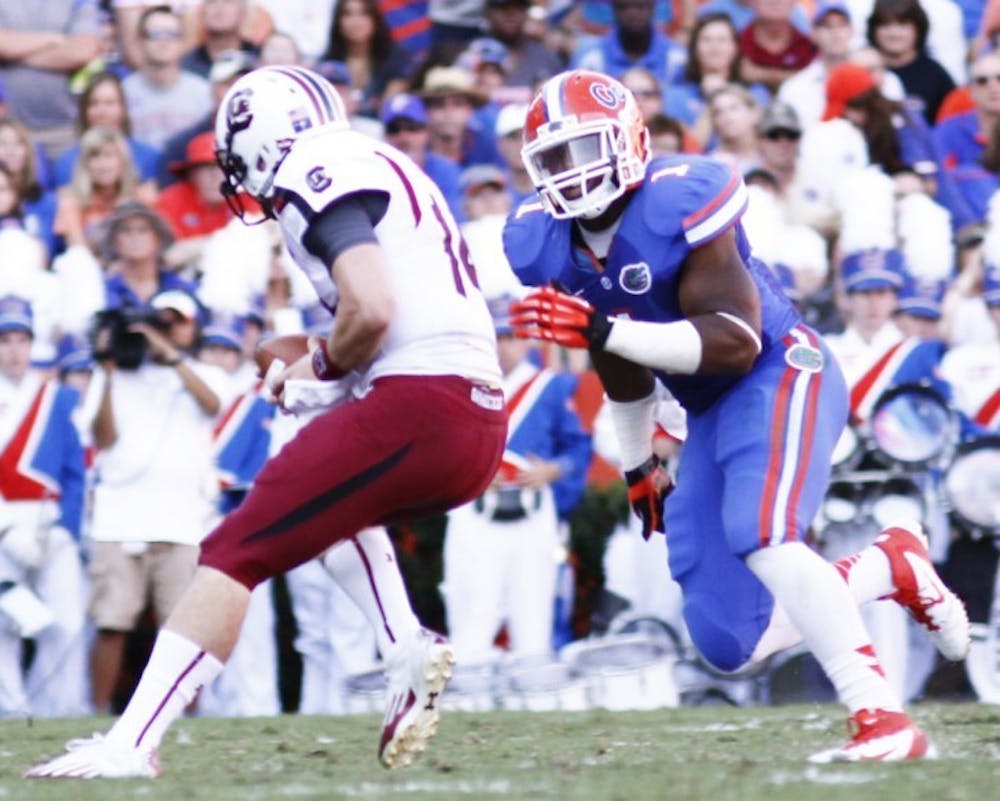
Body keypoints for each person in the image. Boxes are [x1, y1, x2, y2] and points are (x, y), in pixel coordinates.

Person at [27, 64, 506, 778]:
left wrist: (325, 365)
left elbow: (371, 308)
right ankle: (402, 642)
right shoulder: (380, 158)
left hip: (424, 401)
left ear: (261, 136)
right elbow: (383, 304)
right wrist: (321, 360)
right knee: (315, 489)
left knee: (234, 547)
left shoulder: (317, 163)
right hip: (471, 416)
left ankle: (131, 741)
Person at [502, 68, 970, 762]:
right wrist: (638, 460)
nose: (572, 175)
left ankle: (882, 720)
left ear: (629, 139)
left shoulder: (679, 199)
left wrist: (601, 329)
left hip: (778, 372)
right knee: (729, 640)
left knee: (764, 535)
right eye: (555, 160)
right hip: (706, 407)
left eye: (586, 150)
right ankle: (886, 567)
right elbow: (621, 363)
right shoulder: (545, 241)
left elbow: (733, 338)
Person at [442, 294, 592, 664]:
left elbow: (578, 450)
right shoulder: (460, 388)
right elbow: (438, 451)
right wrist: (470, 472)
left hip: (532, 514)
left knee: (533, 622)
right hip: (476, 513)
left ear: (526, 339)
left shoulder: (550, 388)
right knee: (472, 620)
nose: (504, 347)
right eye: (497, 337)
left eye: (511, 337)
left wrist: (552, 470)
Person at [0, 295, 88, 718]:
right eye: (5, 340)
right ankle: (11, 710)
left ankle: (55, 709)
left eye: (22, 339)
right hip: (4, 523)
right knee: (4, 625)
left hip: (49, 521)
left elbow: (75, 470)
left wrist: (64, 527)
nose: (15, 350)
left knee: (67, 622)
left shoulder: (56, 398)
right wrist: (6, 530)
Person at [0, 2, 101, 159]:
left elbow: (82, 51)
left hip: (65, 130)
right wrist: (52, 39)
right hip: (9, 131)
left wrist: (15, 56)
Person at [122, 5, 213, 153]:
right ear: (140, 41)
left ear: (182, 41)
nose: (163, 41)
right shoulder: (124, 92)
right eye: (154, 34)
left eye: (171, 34)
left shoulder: (203, 92)